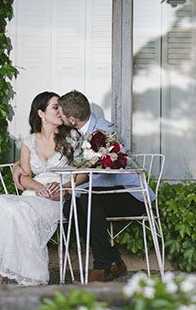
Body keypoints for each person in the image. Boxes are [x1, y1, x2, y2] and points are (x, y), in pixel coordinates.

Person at [0, 91, 84, 286]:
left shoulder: (72, 137)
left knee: (19, 210)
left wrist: (63, 188)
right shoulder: (29, 142)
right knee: (0, 202)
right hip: (35, 193)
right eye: (55, 107)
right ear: (41, 113)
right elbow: (24, 176)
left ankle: (23, 274)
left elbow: (83, 173)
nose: (60, 111)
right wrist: (39, 187)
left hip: (58, 195)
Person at [59, 90, 154, 282]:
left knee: (88, 199)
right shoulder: (75, 134)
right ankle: (114, 259)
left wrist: (78, 178)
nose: (60, 119)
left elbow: (115, 164)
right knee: (71, 209)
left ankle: (101, 266)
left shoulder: (104, 131)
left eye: (61, 115)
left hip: (132, 195)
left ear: (72, 119)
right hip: (99, 195)